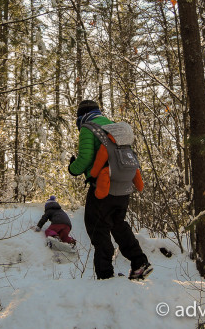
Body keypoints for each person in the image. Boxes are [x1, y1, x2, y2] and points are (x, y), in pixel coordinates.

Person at [68, 99, 151, 280]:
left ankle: (105, 276)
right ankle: (139, 262)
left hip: (103, 188)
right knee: (118, 224)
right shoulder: (114, 126)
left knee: (98, 228)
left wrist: (72, 168)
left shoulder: (87, 128)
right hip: (124, 187)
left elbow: (85, 158)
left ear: (80, 116)